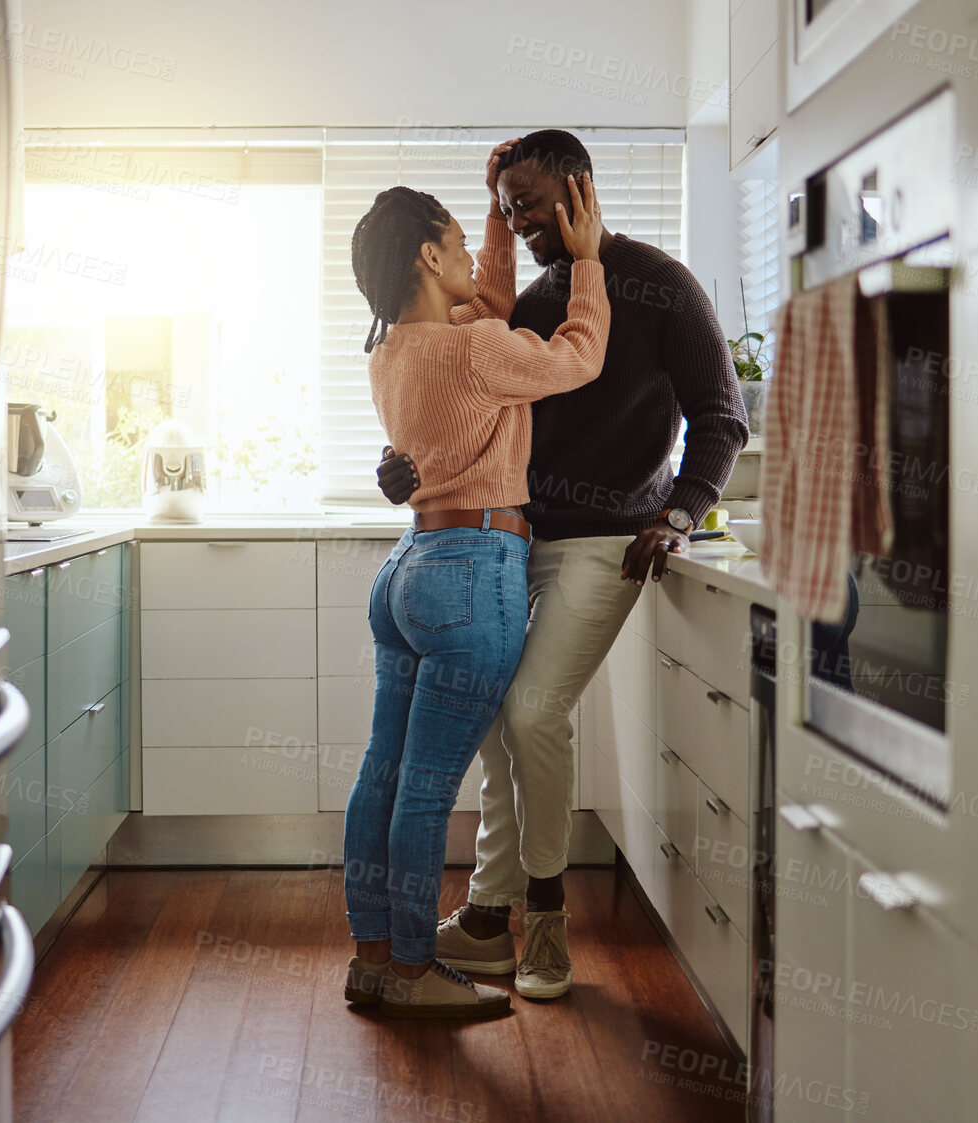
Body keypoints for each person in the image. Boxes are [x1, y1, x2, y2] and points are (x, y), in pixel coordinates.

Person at [377, 130, 748, 1000]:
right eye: (506, 209)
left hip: (608, 545)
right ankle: (485, 919)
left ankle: (545, 922)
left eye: (531, 204)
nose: (518, 221)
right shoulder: (535, 298)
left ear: (578, 191)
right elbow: (463, 396)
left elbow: (722, 416)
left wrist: (681, 513)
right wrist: (407, 463)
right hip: (513, 540)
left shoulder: (661, 285)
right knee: (500, 721)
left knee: (534, 710)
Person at [341, 148, 611, 1019]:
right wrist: (592, 262)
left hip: (406, 572)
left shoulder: (393, 352)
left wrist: (497, 219)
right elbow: (578, 358)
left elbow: (483, 302)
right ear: (426, 257)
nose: (471, 257)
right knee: (425, 789)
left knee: (381, 775)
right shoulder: (478, 352)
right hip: (475, 570)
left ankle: (374, 957)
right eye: (458, 240)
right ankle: (416, 971)